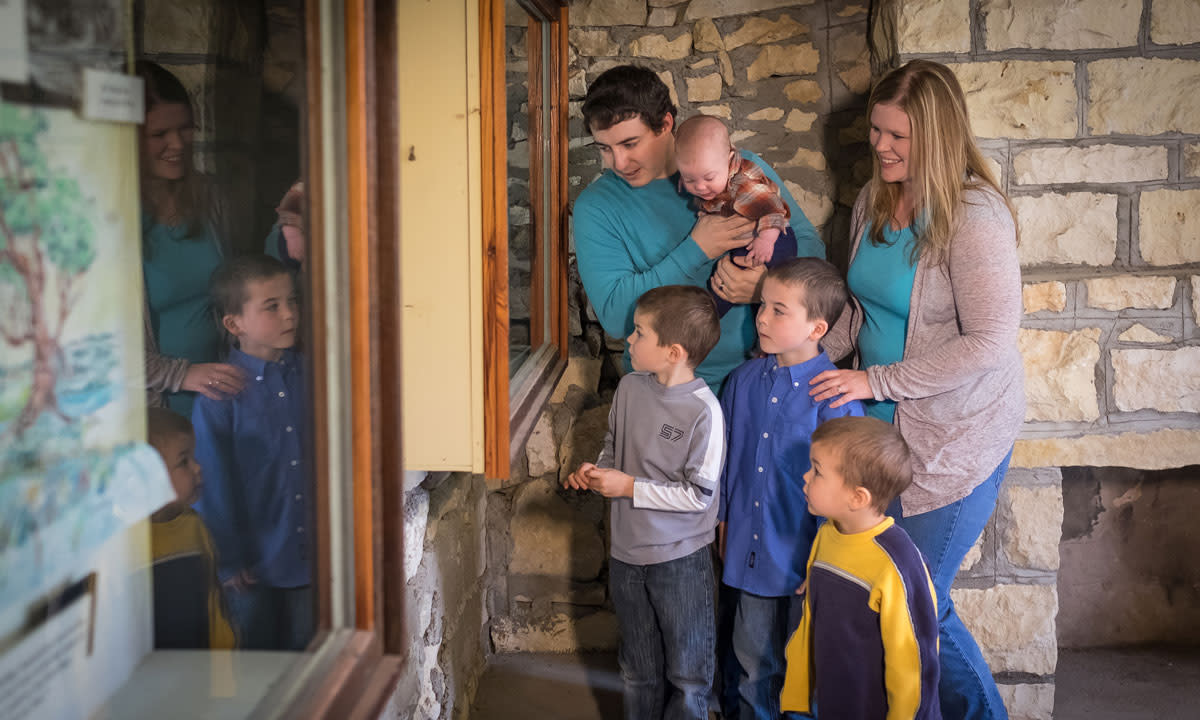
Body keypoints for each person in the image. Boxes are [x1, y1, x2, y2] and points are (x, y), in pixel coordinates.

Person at [809, 59, 1024, 720]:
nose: (881, 146)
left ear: (939, 135)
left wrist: (873, 378)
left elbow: (989, 341)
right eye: (876, 130)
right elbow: (861, 308)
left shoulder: (974, 215)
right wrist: (810, 360)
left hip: (954, 441)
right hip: (880, 431)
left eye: (898, 136)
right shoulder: (877, 197)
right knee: (876, 596)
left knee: (918, 598)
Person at [574, 64, 824, 394]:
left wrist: (766, 287)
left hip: (767, 379)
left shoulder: (740, 168)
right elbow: (617, 316)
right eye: (605, 148)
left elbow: (812, 250)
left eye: (630, 144)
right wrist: (697, 249)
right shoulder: (596, 206)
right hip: (668, 388)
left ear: (665, 124)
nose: (617, 163)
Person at [563, 285, 725, 720]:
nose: (628, 340)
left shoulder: (704, 412)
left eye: (639, 333)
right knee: (637, 670)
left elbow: (699, 496)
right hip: (626, 554)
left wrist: (628, 487)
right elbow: (614, 447)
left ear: (673, 352)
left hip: (681, 561)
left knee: (689, 678)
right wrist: (596, 473)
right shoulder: (630, 389)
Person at [716, 258, 864, 720]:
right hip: (750, 556)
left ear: (816, 327)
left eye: (779, 310)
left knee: (807, 675)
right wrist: (723, 520)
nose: (761, 317)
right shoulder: (740, 384)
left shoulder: (836, 401)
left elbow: (846, 494)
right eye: (762, 305)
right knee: (752, 666)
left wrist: (824, 558)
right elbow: (724, 465)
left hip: (808, 563)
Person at [781, 416, 940, 719]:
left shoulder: (898, 565)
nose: (805, 477)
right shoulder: (828, 534)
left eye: (817, 471)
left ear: (857, 497)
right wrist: (797, 700)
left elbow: (913, 666)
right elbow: (809, 622)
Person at [192, 254, 312, 651]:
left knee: (307, 662)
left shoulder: (313, 375)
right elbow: (212, 481)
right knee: (255, 664)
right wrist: (228, 559)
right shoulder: (219, 396)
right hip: (251, 566)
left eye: (292, 301)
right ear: (234, 324)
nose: (290, 314)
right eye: (272, 306)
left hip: (310, 560)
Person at [138, 60, 245, 416]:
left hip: (220, 396)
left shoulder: (209, 196)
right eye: (159, 134)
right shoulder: (107, 219)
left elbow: (236, 289)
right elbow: (93, 350)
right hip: (156, 408)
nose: (177, 144)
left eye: (185, 129)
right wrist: (181, 374)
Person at [674, 115, 799, 316]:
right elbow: (698, 177)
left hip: (775, 239)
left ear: (730, 159)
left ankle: (707, 314)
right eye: (690, 179)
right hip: (750, 236)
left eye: (708, 177)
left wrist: (766, 240)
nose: (699, 187)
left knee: (730, 278)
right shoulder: (707, 173)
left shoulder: (745, 184)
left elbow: (774, 209)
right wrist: (688, 180)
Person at [146, 406, 236, 650]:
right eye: (184, 461)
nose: (198, 468)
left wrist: (224, 684)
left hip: (198, 677)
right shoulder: (121, 547)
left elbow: (215, 611)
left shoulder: (193, 525)